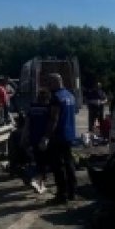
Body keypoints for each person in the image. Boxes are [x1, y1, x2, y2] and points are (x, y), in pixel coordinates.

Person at [40, 73, 78, 203]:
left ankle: (62, 195)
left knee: (58, 166)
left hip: (58, 136)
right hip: (69, 135)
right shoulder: (70, 96)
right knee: (69, 163)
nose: (48, 86)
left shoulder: (56, 97)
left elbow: (53, 119)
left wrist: (46, 137)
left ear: (56, 82)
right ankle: (72, 192)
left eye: (50, 83)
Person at [25, 88, 52, 193]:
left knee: (37, 159)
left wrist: (25, 137)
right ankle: (39, 182)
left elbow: (27, 124)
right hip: (44, 138)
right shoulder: (48, 108)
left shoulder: (32, 108)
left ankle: (38, 181)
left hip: (33, 137)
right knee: (44, 162)